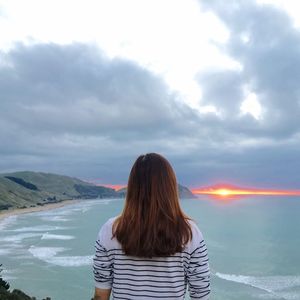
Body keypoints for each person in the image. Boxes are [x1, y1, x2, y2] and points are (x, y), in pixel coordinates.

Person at [93, 153, 210, 300]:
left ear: (133, 187)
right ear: (170, 187)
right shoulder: (190, 233)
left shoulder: (110, 230)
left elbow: (100, 295)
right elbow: (201, 293)